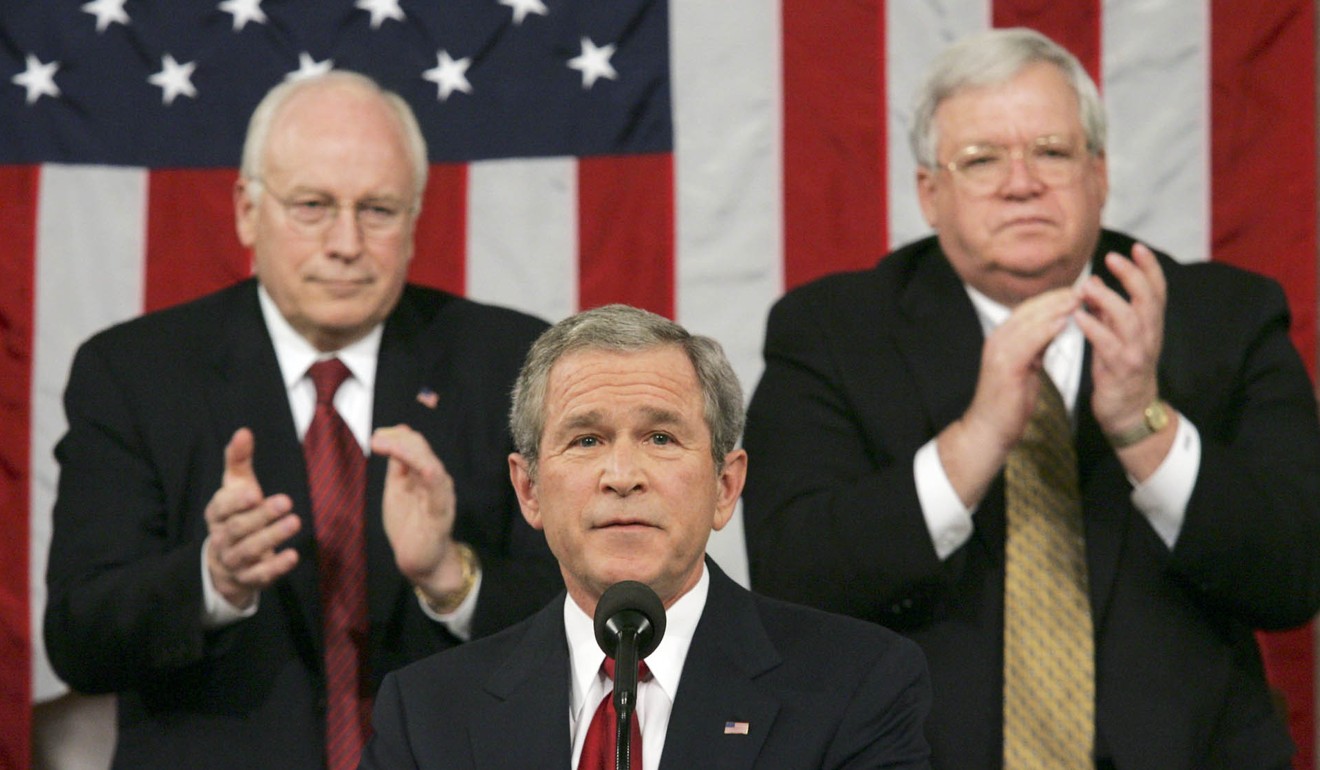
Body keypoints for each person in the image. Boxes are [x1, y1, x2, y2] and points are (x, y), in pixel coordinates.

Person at [742, 27, 1320, 770]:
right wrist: (973, 443)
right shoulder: (831, 331)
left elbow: (1293, 575)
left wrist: (1144, 425)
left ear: (1099, 174)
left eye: (1051, 151)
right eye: (981, 160)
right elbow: (795, 578)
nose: (1022, 182)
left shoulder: (1224, 317)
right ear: (930, 193)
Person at [43, 71, 562, 770]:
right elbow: (78, 639)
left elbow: (593, 615)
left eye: (377, 209)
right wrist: (210, 579)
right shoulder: (134, 373)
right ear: (246, 211)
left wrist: (452, 577)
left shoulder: (511, 364)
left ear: (414, 219)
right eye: (312, 205)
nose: (345, 242)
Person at [360, 304, 933, 769]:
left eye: (660, 437)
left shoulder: (857, 685)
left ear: (725, 487)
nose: (623, 476)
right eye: (586, 440)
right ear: (529, 489)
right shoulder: (426, 715)